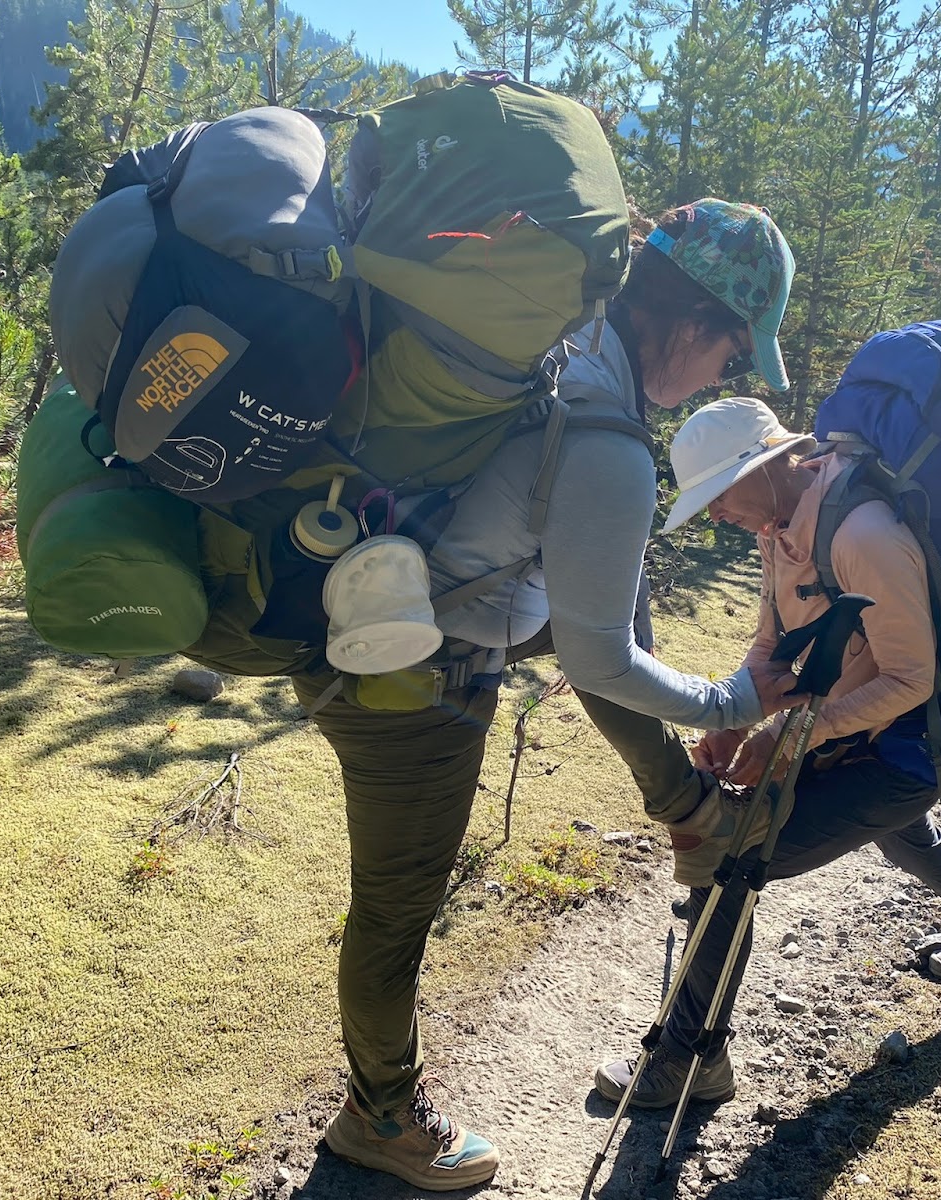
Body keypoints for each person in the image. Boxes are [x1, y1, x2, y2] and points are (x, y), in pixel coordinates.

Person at [305, 200, 803, 1190]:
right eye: (730, 360)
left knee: (604, 600)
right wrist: (729, 700)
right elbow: (600, 660)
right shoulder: (611, 442)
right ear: (697, 329)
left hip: (373, 587)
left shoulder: (560, 342)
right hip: (403, 668)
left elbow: (582, 612)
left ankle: (688, 811)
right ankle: (381, 1114)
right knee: (397, 907)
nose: (719, 382)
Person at [591, 395, 941, 1111]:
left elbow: (913, 678)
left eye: (719, 494)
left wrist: (794, 733)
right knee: (910, 841)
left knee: (730, 863)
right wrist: (735, 716)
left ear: (775, 464)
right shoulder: (779, 524)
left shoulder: (863, 534)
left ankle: (690, 1061)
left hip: (903, 751)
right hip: (853, 736)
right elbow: (773, 641)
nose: (715, 513)